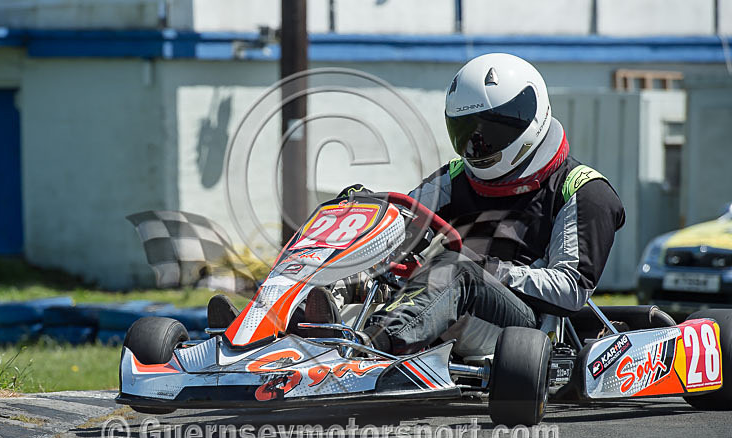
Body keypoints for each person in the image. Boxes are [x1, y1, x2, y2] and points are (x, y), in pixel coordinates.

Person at [210, 53, 626, 358]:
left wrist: (490, 270)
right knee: (362, 254)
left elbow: (571, 290)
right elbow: (402, 223)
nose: (477, 146)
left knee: (454, 269)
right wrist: (362, 220)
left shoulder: (582, 189)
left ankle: (369, 349)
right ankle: (264, 331)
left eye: (490, 131)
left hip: (524, 330)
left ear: (528, 118)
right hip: (435, 302)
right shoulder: (456, 177)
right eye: (467, 132)